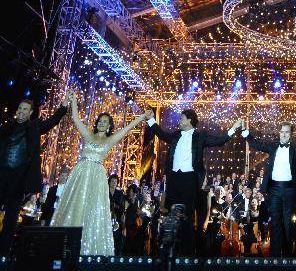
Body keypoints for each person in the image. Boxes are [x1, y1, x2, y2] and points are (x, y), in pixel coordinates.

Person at [51, 96, 150, 255]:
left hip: (96, 176)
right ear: (97, 123)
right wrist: (74, 100)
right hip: (81, 173)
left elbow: (128, 128)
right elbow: (76, 119)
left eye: (105, 121)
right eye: (100, 120)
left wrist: (142, 117)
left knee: (92, 208)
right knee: (75, 207)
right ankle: (65, 246)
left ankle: (87, 248)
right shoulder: (88, 134)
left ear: (110, 125)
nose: (102, 123)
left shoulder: (110, 140)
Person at [146, 109, 243, 256]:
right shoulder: (176, 135)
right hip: (174, 179)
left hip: (189, 179)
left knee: (187, 217)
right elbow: (162, 134)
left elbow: (219, 141)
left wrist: (233, 128)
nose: (179, 121)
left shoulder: (200, 136)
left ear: (189, 120)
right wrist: (150, 120)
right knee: (172, 216)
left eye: (182, 118)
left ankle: (187, 254)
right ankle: (171, 253)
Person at [241, 119, 296, 256]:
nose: (284, 134)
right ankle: (274, 256)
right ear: (279, 133)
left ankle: (287, 255)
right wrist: (245, 132)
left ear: (291, 134)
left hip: (289, 190)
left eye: (287, 132)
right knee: (275, 223)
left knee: (287, 223)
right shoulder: (273, 147)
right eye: (282, 132)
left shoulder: (295, 148)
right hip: (274, 190)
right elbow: (257, 144)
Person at [0, 92, 70, 253]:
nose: (21, 111)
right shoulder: (6, 127)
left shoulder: (34, 127)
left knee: (11, 219)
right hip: (2, 175)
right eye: (20, 108)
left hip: (18, 180)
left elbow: (52, 122)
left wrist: (63, 106)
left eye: (25, 109)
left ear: (30, 112)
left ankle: (3, 253)